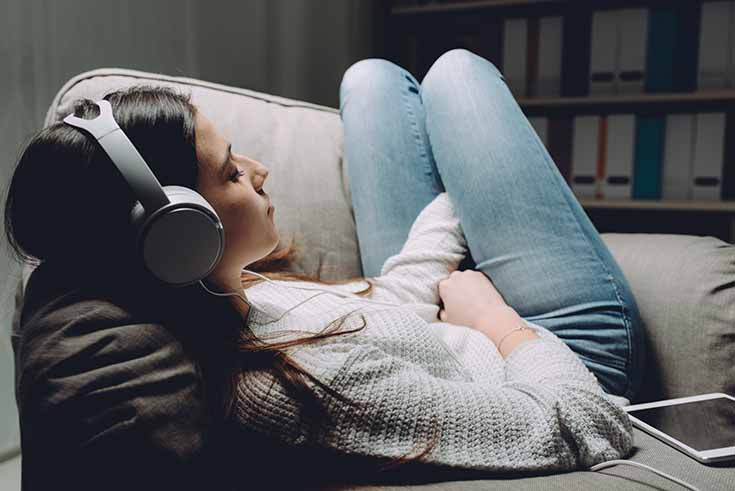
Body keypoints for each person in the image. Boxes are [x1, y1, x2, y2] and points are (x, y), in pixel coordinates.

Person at [4, 48, 643, 489]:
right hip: (555, 362)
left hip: (448, 318)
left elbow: (387, 303)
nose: (258, 171)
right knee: (460, 75)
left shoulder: (223, 298)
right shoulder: (293, 394)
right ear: (179, 235)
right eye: (230, 172)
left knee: (370, 80)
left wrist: (472, 197)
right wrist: (499, 322)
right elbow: (582, 422)